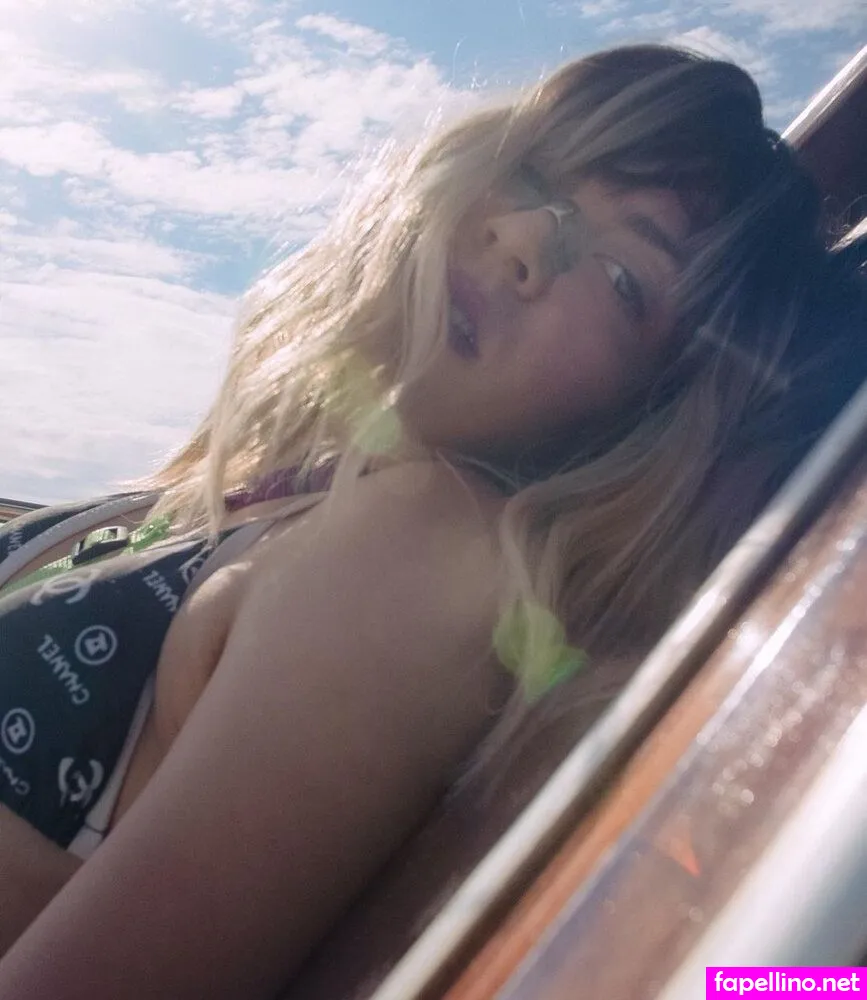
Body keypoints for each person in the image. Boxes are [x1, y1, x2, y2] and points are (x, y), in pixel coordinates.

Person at [0, 43, 864, 1000]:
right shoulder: (286, 479)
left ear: (653, 412)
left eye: (624, 277)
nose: (524, 238)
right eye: (538, 175)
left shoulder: (421, 549)